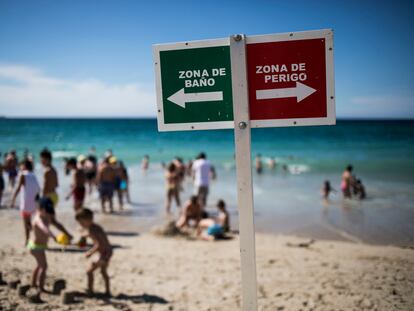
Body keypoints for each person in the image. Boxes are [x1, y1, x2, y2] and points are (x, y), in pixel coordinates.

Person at [75, 208, 112, 296]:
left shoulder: (92, 230)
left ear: (89, 220)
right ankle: (107, 292)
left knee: (89, 271)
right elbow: (97, 237)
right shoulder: (96, 227)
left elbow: (99, 244)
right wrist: (84, 236)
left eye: (82, 222)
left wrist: (90, 252)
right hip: (108, 252)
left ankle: (90, 291)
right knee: (103, 272)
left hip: (103, 254)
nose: (81, 225)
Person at [40, 149, 73, 240]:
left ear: (47, 159)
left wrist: (41, 200)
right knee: (51, 220)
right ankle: (68, 235)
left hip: (48, 197)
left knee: (46, 220)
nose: (41, 161)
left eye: (42, 159)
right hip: (54, 195)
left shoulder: (47, 171)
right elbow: (56, 184)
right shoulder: (54, 170)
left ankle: (45, 239)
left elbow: (45, 187)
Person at [28, 198, 57, 296]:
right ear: (40, 209)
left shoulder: (45, 216)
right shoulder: (38, 219)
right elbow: (44, 228)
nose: (49, 214)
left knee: (39, 265)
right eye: (47, 212)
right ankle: (41, 288)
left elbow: (53, 221)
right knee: (44, 266)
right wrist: (52, 235)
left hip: (39, 246)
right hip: (36, 247)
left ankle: (33, 284)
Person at [10, 160, 40, 246]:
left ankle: (27, 241)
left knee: (26, 223)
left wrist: (13, 199)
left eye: (21, 165)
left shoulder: (23, 175)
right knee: (30, 222)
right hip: (34, 202)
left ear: (24, 166)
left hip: (26, 203)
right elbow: (38, 189)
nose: (20, 167)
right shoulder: (33, 175)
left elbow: (18, 188)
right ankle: (35, 238)